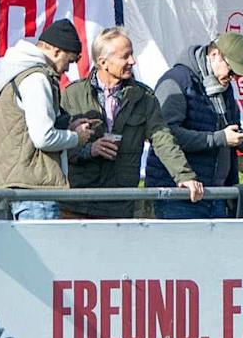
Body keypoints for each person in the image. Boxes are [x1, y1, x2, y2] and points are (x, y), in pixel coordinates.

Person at [59, 25, 203, 216]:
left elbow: (162, 139)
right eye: (125, 56)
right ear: (103, 63)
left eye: (132, 54)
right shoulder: (72, 94)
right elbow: (58, 144)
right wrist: (89, 150)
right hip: (76, 203)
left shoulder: (144, 97)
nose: (132, 61)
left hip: (120, 205)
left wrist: (184, 175)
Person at [144, 30, 243, 219]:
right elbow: (165, 136)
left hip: (216, 193)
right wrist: (220, 138)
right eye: (232, 69)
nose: (234, 77)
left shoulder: (224, 87)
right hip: (179, 194)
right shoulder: (177, 81)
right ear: (215, 55)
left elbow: (227, 129)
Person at [0, 17, 85, 220]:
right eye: (70, 60)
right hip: (34, 189)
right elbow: (43, 138)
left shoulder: (15, 73)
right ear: (56, 51)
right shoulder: (37, 78)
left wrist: (65, 126)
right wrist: (76, 137)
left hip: (8, 184)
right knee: (43, 252)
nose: (68, 69)